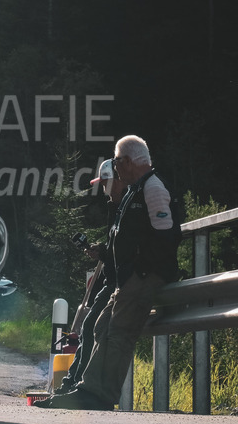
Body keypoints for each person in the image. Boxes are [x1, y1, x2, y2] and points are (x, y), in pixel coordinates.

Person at [36, 135, 181, 410]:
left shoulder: (153, 187)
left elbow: (167, 236)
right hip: (127, 277)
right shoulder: (135, 190)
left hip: (141, 276)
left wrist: (141, 270)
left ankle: (100, 395)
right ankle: (86, 390)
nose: (115, 168)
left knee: (119, 333)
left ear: (127, 161)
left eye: (116, 162)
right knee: (101, 326)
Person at [53, 158, 122, 395]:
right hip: (113, 280)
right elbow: (116, 244)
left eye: (105, 183)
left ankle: (75, 385)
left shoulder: (129, 206)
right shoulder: (116, 207)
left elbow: (127, 247)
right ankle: (71, 383)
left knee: (91, 324)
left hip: (121, 282)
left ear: (117, 180)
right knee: (88, 324)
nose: (103, 188)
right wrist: (100, 250)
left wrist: (104, 251)